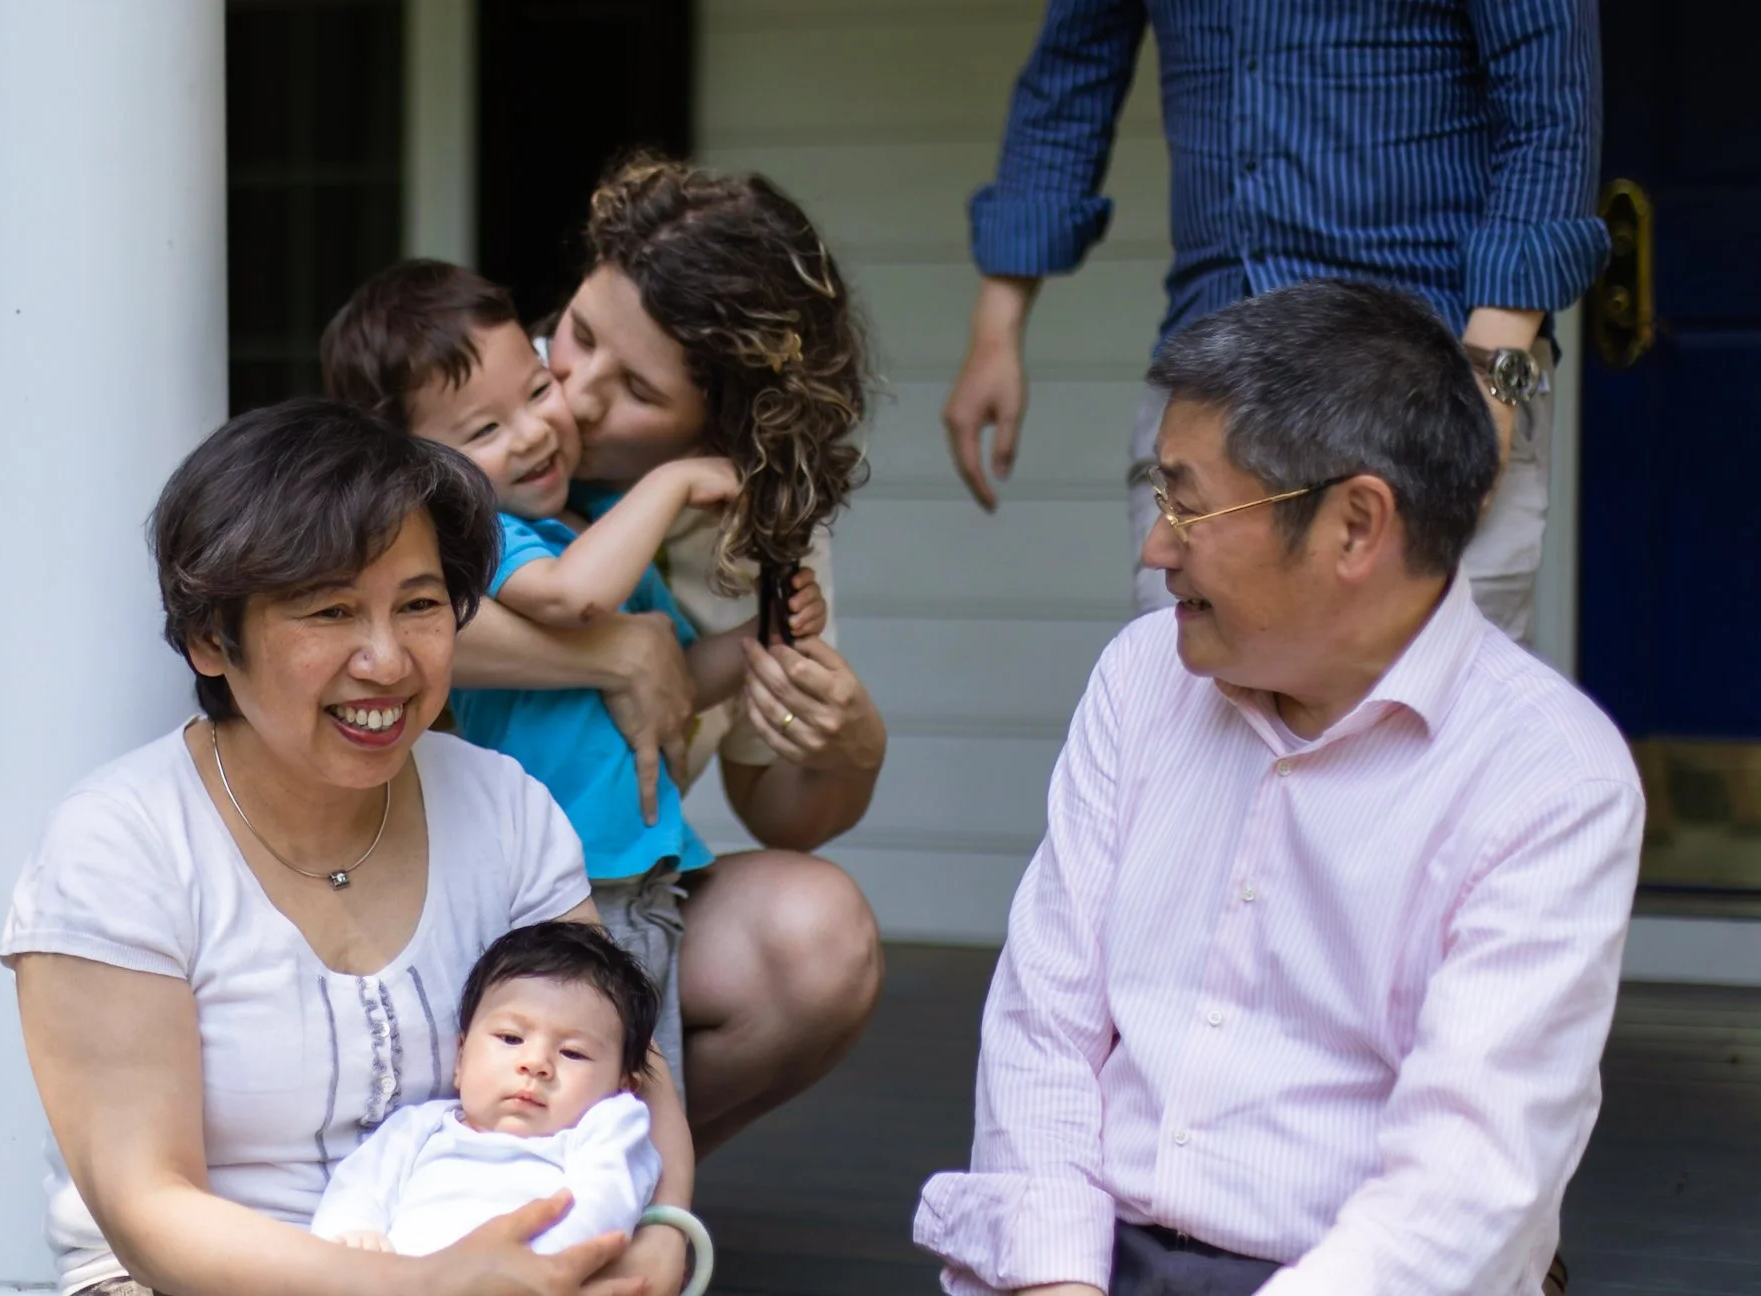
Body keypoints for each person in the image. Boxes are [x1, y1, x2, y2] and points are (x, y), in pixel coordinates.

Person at [914, 282, 1642, 1296]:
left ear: (1354, 526)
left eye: (1188, 505)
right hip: (1086, 1263)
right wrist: (1051, 1283)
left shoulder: (1549, 780)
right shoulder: (1140, 677)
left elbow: (1467, 1182)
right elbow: (1044, 1027)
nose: (1153, 545)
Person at [1, 400, 691, 1296]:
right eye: (328, 611)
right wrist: (425, 1286)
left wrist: (662, 1238)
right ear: (214, 639)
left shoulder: (505, 808)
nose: (388, 661)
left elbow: (628, 1063)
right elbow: (146, 1208)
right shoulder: (118, 845)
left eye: (418, 605)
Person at [323, 157, 886, 1156]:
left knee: (693, 1027)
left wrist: (848, 742)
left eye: (632, 388)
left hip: (625, 874)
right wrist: (611, 655)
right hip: (410, 883)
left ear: (718, 431)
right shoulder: (470, 397)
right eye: (575, 336)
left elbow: (779, 808)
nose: (570, 399)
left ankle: (610, 1196)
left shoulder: (740, 531)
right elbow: (352, 603)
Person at [942, 0, 1606, 645]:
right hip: (1215, 372)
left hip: (1427, 373)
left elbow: (1549, 108)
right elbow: (1072, 69)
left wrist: (1492, 371)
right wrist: (997, 321)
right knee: (1189, 713)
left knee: (1429, 727)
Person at [312, 922, 664, 1257]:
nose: (535, 1063)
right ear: (461, 1057)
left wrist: (530, 1268)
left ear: (624, 1088)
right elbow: (357, 1189)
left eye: (573, 1052)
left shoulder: (603, 1132)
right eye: (511, 1038)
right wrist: (353, 1235)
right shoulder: (418, 1128)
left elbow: (604, 1207)